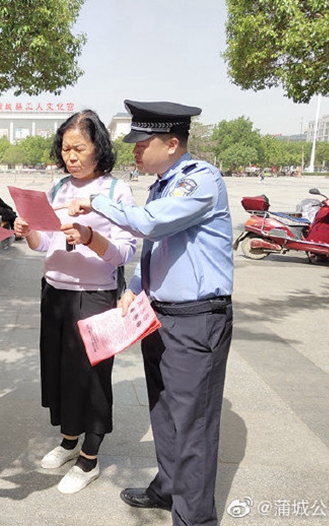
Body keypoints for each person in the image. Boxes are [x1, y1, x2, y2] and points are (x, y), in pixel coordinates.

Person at [68, 100, 233, 526]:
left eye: (143, 142)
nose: (136, 150)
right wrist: (136, 289)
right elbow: (153, 249)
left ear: (173, 142)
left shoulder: (200, 180)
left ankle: (194, 518)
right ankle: (167, 488)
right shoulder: (163, 184)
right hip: (159, 314)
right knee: (163, 408)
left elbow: (150, 225)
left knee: (192, 423)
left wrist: (97, 204)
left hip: (197, 319)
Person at [13, 110, 137, 494]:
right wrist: (29, 232)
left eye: (78, 148)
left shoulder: (116, 192)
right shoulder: (58, 189)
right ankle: (69, 441)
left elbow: (125, 253)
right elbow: (48, 243)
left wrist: (87, 237)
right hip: (55, 293)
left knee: (93, 378)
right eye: (65, 148)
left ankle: (90, 457)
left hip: (95, 297)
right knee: (59, 371)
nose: (71, 155)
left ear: (98, 148)